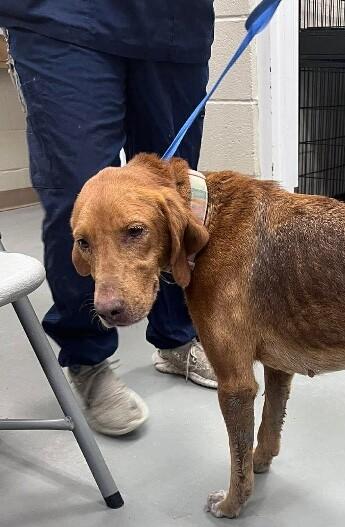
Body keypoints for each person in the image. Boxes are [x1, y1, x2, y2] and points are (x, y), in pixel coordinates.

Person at [0, 1, 217, 437]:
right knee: (77, 199)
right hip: (59, 17)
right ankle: (87, 359)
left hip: (174, 23)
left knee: (171, 193)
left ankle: (176, 337)